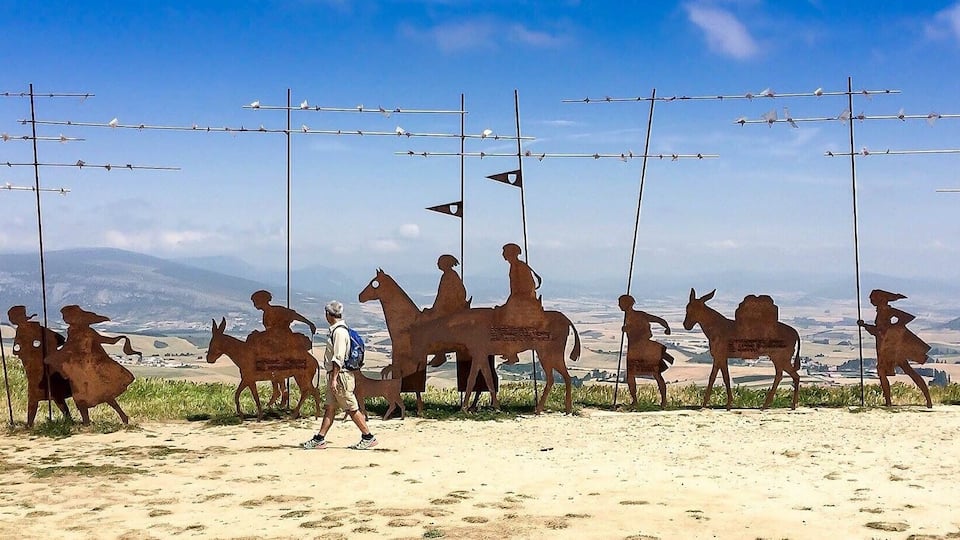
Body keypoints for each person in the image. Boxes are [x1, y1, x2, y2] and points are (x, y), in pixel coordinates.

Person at [303, 300, 378, 450]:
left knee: (351, 407)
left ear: (328, 314)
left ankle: (368, 436)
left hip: (340, 376)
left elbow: (338, 357)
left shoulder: (338, 332)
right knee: (330, 407)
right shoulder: (340, 330)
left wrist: (334, 379)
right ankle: (320, 438)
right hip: (337, 375)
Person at [858, 289, 932, 408]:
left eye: (872, 298)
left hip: (890, 347)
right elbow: (878, 330)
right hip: (886, 346)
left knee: (886, 371)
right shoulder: (882, 311)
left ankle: (890, 402)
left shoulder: (887, 311)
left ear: (879, 299)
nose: (871, 300)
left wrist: (893, 329)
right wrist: (866, 326)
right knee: (904, 371)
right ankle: (926, 400)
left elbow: (906, 318)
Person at [618, 294, 673, 407]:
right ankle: (635, 401)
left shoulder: (639, 315)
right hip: (633, 349)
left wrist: (667, 327)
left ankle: (664, 401)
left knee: (656, 373)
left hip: (644, 348)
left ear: (626, 304)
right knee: (631, 375)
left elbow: (657, 320)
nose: (619, 305)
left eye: (620, 303)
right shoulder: (628, 316)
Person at [423, 254, 469, 318]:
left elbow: (460, 292)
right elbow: (440, 296)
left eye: (439, 262)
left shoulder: (450, 275)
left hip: (450, 307)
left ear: (445, 263)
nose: (437, 264)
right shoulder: (446, 275)